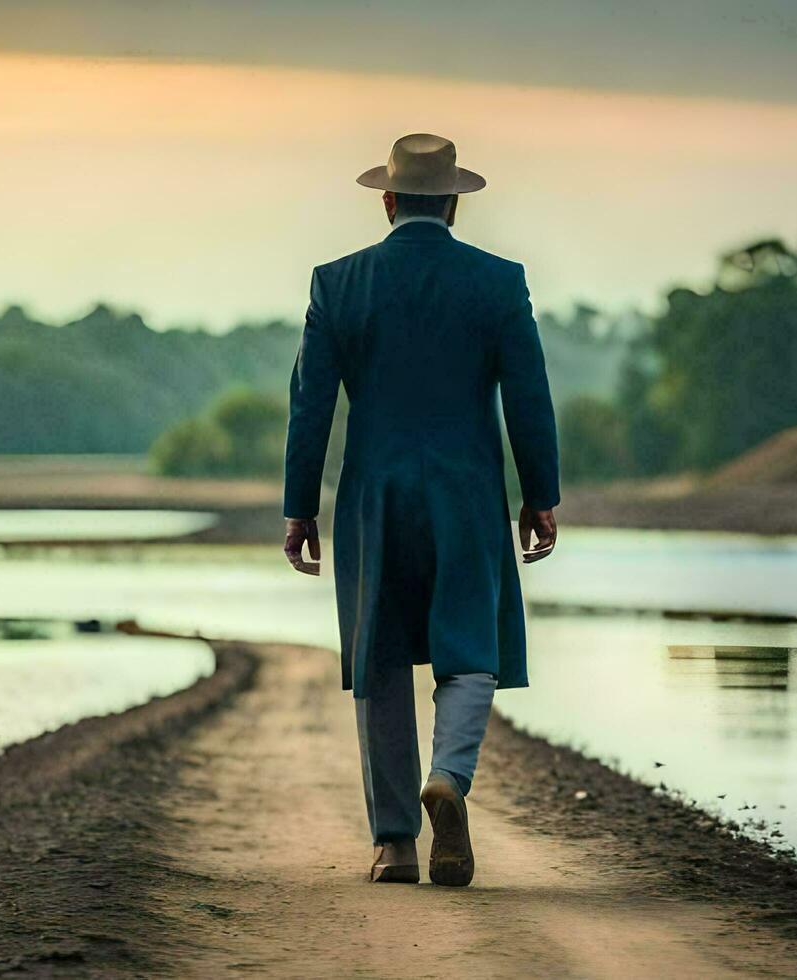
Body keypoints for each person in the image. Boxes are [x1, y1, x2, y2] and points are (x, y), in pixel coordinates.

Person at [282, 133, 559, 887]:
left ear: (388, 200)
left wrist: (299, 507)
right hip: (467, 490)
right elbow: (528, 397)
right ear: (456, 205)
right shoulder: (499, 283)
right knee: (470, 649)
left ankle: (394, 843)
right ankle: (450, 775)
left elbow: (310, 405)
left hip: (373, 494)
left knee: (379, 659)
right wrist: (541, 495)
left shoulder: (337, 283)